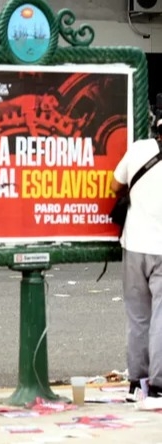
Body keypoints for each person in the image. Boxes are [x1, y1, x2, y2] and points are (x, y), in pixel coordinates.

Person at [111, 118, 162, 400]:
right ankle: (158, 384)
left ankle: (137, 381)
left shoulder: (139, 149)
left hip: (134, 246)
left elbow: (115, 185)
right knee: (160, 318)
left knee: (138, 318)